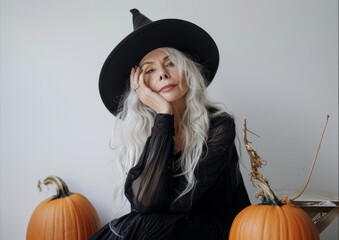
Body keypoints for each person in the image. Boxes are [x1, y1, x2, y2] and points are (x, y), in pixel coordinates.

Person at [90, 8, 251, 240]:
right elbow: (145, 203)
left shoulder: (219, 125)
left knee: (141, 226)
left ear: (188, 70)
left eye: (170, 63)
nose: (163, 75)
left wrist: (164, 115)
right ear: (140, 86)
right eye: (150, 70)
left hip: (217, 230)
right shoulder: (146, 130)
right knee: (141, 224)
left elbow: (179, 204)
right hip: (163, 232)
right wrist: (163, 116)